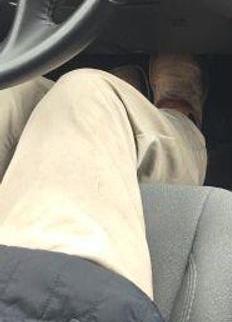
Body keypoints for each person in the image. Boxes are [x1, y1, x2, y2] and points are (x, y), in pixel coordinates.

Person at [0, 54, 207, 321]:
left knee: (12, 93)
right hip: (60, 298)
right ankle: (182, 123)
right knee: (85, 93)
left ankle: (117, 119)